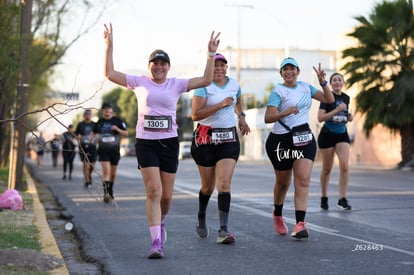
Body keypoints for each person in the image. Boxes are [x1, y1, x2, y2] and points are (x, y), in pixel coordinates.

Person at [103, 22, 220, 259]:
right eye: (155, 63)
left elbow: (207, 80)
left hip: (169, 143)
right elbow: (110, 73)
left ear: (168, 67)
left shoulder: (176, 84)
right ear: (149, 67)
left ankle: (161, 222)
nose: (159, 67)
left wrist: (210, 54)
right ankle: (156, 242)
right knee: (154, 191)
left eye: (163, 63)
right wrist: (109, 46)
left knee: (166, 197)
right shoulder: (138, 82)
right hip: (146, 143)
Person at [264, 57, 334, 239]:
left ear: (298, 71)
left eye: (292, 69)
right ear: (281, 73)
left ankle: (300, 224)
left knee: (303, 180)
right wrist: (285, 112)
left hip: (303, 138)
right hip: (281, 141)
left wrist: (323, 82)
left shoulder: (305, 87)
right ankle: (278, 214)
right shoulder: (278, 91)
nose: (289, 72)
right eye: (285, 69)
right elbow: (268, 118)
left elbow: (329, 99)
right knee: (283, 183)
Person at [191, 53, 250, 244]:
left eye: (222, 65)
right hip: (205, 139)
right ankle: (201, 214)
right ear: (210, 68)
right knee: (208, 187)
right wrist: (219, 105)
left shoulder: (234, 85)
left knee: (223, 184)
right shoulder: (203, 86)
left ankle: (223, 230)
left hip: (228, 139)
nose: (219, 68)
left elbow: (238, 101)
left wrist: (241, 117)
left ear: (227, 67)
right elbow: (195, 115)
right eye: (215, 65)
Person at [317, 73, 353, 211]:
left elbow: (343, 115)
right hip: (327, 135)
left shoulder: (346, 97)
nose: (337, 82)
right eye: (334, 80)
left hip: (342, 134)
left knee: (344, 166)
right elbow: (320, 117)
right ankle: (324, 197)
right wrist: (337, 110)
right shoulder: (326, 97)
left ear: (343, 82)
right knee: (327, 169)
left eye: (339, 80)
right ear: (331, 83)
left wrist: (348, 117)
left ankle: (342, 198)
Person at [93, 102, 128, 202]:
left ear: (111, 110)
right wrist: (94, 138)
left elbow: (126, 133)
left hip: (114, 150)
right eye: (105, 109)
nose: (107, 111)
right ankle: (106, 193)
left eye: (109, 109)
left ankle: (110, 189)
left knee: (113, 174)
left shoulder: (117, 121)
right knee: (106, 171)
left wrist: (117, 129)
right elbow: (94, 133)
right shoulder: (99, 122)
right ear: (103, 111)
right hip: (103, 150)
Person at [75, 109, 97, 188]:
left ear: (91, 115)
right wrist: (79, 139)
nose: (88, 115)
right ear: (84, 115)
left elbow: (98, 133)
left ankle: (88, 175)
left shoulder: (94, 124)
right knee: (86, 165)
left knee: (92, 165)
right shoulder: (80, 124)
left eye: (89, 114)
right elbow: (76, 134)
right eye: (86, 114)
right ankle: (87, 180)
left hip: (92, 147)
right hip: (83, 146)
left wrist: (95, 137)